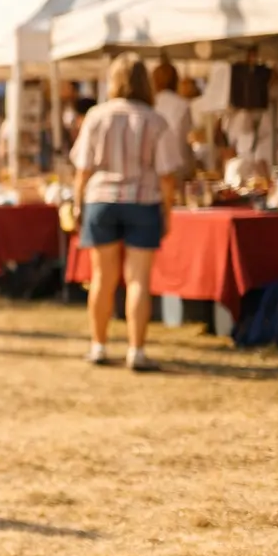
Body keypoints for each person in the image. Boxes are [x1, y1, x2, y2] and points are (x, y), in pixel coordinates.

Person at [72, 53, 185, 372]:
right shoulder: (155, 119)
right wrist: (167, 211)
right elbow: (166, 175)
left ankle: (98, 345)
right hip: (142, 200)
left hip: (102, 199)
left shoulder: (97, 116)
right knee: (138, 280)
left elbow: (82, 168)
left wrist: (78, 203)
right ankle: (136, 350)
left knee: (102, 277)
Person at [151, 60, 195, 181]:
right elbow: (185, 141)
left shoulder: (149, 105)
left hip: (154, 169)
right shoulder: (182, 105)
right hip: (178, 168)